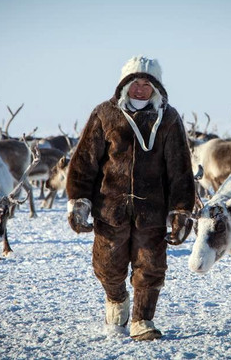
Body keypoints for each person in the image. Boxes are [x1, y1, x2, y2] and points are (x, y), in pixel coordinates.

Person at [66, 55, 196, 341]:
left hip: (152, 211)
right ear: (124, 85)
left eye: (146, 84)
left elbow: (180, 168)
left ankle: (142, 320)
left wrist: (181, 210)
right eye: (135, 83)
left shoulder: (169, 118)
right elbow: (85, 161)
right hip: (110, 209)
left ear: (156, 87)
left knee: (151, 267)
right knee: (107, 266)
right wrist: (78, 200)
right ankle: (116, 300)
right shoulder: (105, 114)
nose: (140, 89)